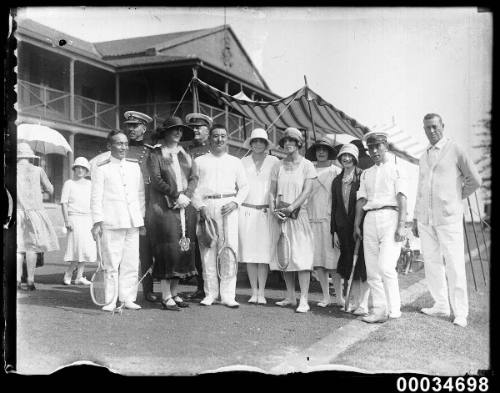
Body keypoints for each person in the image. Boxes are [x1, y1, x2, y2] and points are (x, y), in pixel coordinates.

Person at [413, 113, 481, 328]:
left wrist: (455, 198)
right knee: (432, 263)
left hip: (448, 218)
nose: (431, 131)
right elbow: (420, 189)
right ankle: (441, 304)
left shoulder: (455, 149)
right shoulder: (423, 155)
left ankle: (460, 312)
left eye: (435, 126)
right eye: (427, 128)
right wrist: (416, 217)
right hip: (426, 219)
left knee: (454, 264)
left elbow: (475, 180)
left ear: (443, 125)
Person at [192, 124, 249, 308]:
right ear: (210, 139)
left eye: (223, 136)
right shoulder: (200, 161)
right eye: (215, 136)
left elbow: (245, 187)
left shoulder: (235, 161)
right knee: (207, 251)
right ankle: (210, 293)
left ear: (227, 139)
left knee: (228, 251)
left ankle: (228, 295)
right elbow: (192, 188)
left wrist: (235, 203)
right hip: (207, 207)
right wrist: (200, 206)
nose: (219, 139)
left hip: (228, 208)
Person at [354, 131, 408, 323]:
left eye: (378, 146)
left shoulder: (395, 169)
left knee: (386, 267)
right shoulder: (366, 173)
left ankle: (395, 309)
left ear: (386, 146)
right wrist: (356, 225)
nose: (374, 150)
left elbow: (402, 197)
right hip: (370, 220)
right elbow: (361, 200)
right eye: (371, 147)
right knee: (372, 271)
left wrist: (402, 225)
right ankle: (379, 309)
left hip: (391, 217)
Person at [147, 116, 198, 311]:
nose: (178, 132)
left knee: (183, 249)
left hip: (186, 207)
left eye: (180, 130)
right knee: (168, 250)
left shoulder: (186, 154)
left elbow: (194, 177)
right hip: (166, 208)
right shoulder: (156, 154)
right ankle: (165, 295)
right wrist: (176, 195)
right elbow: (157, 179)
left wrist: (187, 196)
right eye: (174, 129)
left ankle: (175, 293)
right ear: (165, 132)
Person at [90, 130, 145, 312]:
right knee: (111, 263)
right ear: (109, 146)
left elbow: (140, 195)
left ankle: (128, 298)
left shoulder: (134, 167)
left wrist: (140, 219)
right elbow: (96, 197)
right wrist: (97, 221)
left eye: (125, 144)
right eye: (119, 143)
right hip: (111, 221)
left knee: (131, 262)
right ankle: (110, 300)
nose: (123, 147)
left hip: (132, 221)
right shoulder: (101, 167)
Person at [269, 127, 316, 313]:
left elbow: (306, 191)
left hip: (299, 216)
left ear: (298, 144)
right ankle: (290, 296)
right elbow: (272, 191)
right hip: (281, 217)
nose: (288, 144)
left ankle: (304, 299)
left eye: (292, 141)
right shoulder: (277, 165)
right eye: (285, 141)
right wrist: (273, 209)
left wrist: (292, 207)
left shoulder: (307, 165)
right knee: (285, 256)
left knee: (302, 257)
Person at [121, 111, 161, 303]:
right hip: (122, 204)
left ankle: (147, 289)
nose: (131, 129)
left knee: (145, 251)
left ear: (144, 129)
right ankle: (122, 291)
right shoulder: (120, 150)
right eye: (128, 125)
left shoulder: (150, 151)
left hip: (143, 204)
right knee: (121, 251)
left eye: (135, 126)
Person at [239, 128, 279, 304]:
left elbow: (277, 187)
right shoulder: (243, 161)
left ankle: (261, 292)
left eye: (261, 141)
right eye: (254, 141)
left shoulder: (274, 161)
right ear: (251, 143)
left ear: (266, 144)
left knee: (263, 255)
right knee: (249, 254)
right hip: (246, 211)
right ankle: (253, 292)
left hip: (265, 212)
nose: (257, 144)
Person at [331, 143, 370, 316]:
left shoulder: (363, 176)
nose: (346, 159)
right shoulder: (337, 180)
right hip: (343, 229)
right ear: (340, 158)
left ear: (355, 158)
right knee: (348, 265)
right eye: (343, 156)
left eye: (349, 156)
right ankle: (353, 302)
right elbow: (335, 207)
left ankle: (364, 304)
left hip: (360, 227)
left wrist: (360, 225)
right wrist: (334, 232)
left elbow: (365, 202)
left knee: (363, 265)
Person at [304, 136, 342, 307]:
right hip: (311, 218)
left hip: (329, 221)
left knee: (332, 262)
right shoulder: (309, 169)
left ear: (329, 153)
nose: (321, 152)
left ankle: (339, 297)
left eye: (324, 150)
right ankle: (325, 296)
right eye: (318, 149)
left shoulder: (336, 171)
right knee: (318, 262)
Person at [16, 142, 59, 290]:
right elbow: (51, 190)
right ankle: (30, 280)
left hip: (17, 211)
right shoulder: (38, 170)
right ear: (29, 156)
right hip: (34, 212)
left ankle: (16, 280)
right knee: (32, 247)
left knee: (18, 247)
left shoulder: (10, 170)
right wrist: (39, 188)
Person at [183, 112, 213, 301]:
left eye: (199, 128)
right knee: (193, 245)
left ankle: (212, 287)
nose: (195, 130)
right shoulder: (185, 151)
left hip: (207, 204)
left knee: (209, 243)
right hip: (188, 204)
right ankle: (201, 287)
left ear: (208, 131)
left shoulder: (213, 151)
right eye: (193, 128)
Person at [61, 157, 96, 286]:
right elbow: (64, 203)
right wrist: (66, 220)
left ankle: (79, 276)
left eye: (83, 168)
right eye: (78, 167)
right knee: (77, 248)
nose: (80, 170)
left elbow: (94, 202)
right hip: (74, 218)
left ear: (86, 170)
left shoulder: (90, 184)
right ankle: (69, 273)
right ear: (74, 169)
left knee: (85, 249)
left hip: (88, 219)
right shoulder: (69, 183)